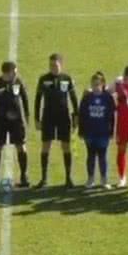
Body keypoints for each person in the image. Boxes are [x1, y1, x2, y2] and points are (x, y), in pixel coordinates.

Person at [34, 53, 79, 188]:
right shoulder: (43, 79)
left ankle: (68, 178)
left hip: (63, 117)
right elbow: (38, 99)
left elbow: (73, 98)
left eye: (55, 65)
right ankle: (44, 178)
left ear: (61, 65)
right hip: (48, 116)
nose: (53, 68)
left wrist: (76, 116)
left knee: (65, 146)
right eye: (51, 65)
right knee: (45, 145)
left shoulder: (67, 79)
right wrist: (37, 118)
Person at [0, 61, 30, 188]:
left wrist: (26, 114)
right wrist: (4, 113)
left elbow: (24, 97)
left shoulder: (18, 82)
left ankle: (23, 176)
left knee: (21, 146)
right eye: (14, 72)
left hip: (17, 121)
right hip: (1, 121)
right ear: (7, 72)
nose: (16, 74)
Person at [78, 72, 115, 189]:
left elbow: (112, 116)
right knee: (90, 156)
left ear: (103, 84)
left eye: (97, 84)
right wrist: (81, 130)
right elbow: (82, 114)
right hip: (90, 133)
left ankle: (104, 180)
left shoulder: (107, 98)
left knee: (103, 156)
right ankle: (90, 179)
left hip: (103, 133)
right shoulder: (87, 98)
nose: (95, 87)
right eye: (93, 85)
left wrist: (111, 131)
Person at [115, 66, 128, 187]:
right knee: (122, 149)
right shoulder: (119, 84)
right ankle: (122, 177)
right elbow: (105, 90)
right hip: (122, 122)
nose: (126, 79)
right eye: (125, 76)